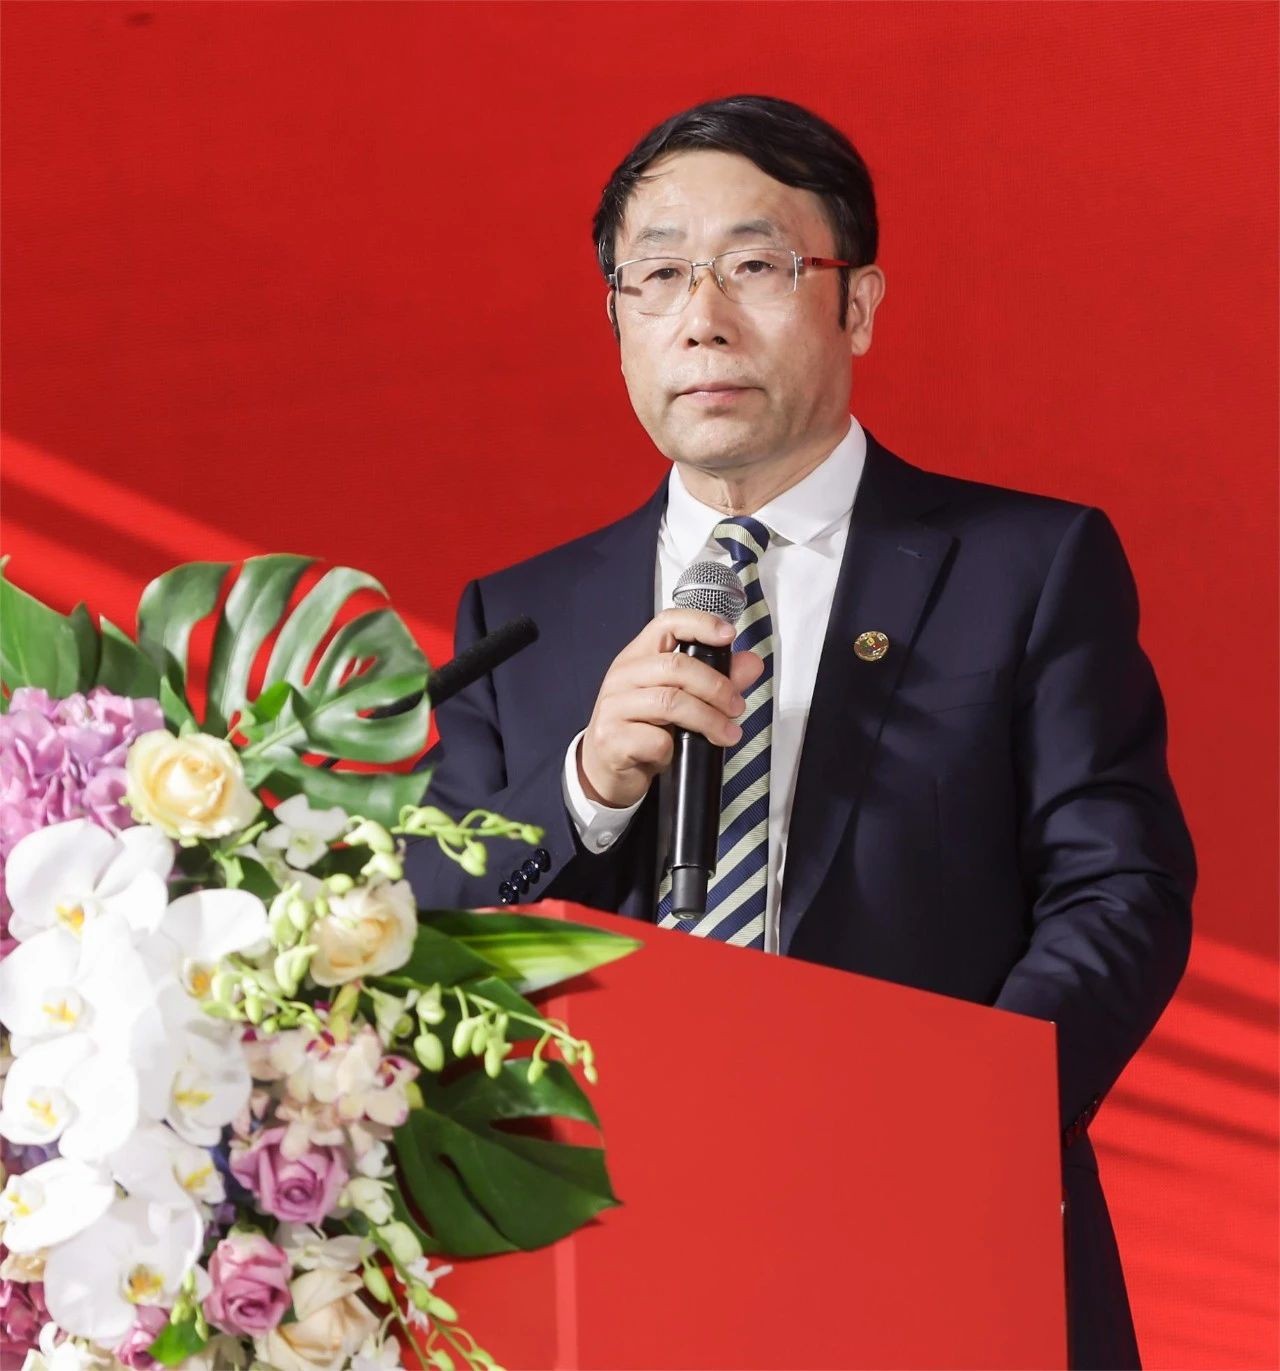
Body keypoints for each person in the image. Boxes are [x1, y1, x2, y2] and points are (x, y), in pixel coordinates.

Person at [403, 94, 1196, 1370]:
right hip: (610, 1268)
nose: (701, 318)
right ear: (617, 319)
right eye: (658, 275)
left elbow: (1116, 891)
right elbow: (426, 926)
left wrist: (965, 1125)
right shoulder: (522, 617)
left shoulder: (1024, 565)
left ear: (856, 304)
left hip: (941, 1242)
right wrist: (586, 786)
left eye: (755, 267)